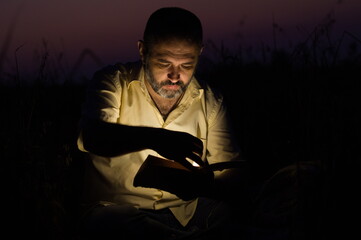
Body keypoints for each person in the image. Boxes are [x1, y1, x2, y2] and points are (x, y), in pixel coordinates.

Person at [75, 6, 248, 240]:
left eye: (186, 65)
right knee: (109, 224)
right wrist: (157, 139)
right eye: (164, 63)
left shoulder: (210, 101)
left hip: (187, 213)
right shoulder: (113, 82)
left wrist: (204, 185)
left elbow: (230, 171)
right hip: (119, 212)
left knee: (232, 216)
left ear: (200, 53)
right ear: (143, 51)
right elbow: (94, 136)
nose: (175, 76)